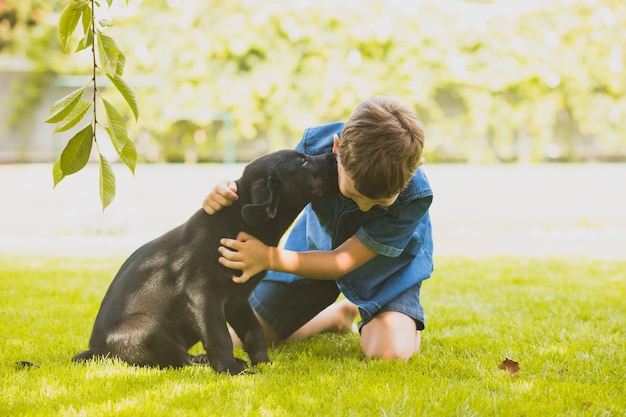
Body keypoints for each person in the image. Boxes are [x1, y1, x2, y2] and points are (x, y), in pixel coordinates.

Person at [203, 96, 433, 360]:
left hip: (387, 270)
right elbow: (267, 187)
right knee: (240, 338)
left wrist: (267, 258)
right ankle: (335, 317)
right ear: (336, 149)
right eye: (354, 194)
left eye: (380, 202)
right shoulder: (314, 149)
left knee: (390, 354)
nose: (365, 209)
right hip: (313, 249)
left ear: (416, 166)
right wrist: (225, 192)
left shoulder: (414, 196)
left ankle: (400, 321)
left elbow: (341, 262)